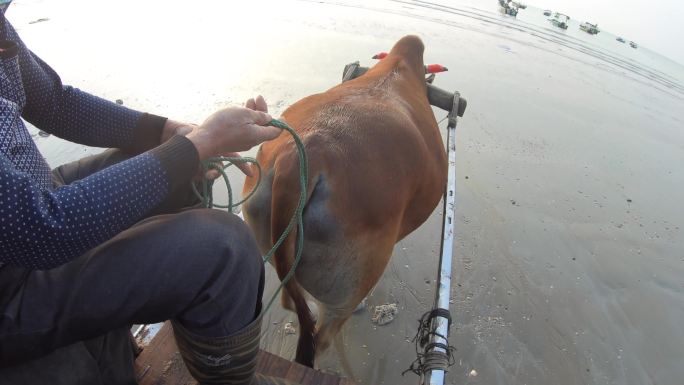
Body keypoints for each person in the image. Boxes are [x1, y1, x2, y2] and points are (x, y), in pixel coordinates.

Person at [0, 6, 293, 385]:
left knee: (182, 176)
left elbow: (54, 101)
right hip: (14, 276)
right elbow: (41, 229)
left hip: (32, 196)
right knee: (225, 247)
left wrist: (167, 133)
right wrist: (199, 143)